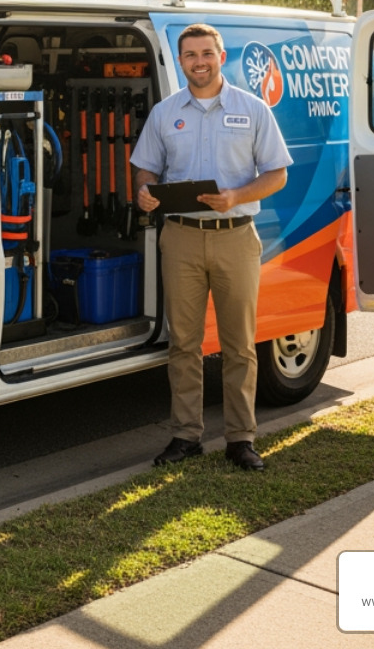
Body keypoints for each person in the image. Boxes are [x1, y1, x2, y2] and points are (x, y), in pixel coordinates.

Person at [132, 23, 291, 472]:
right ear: (180, 61)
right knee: (183, 343)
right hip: (179, 237)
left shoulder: (253, 109)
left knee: (239, 344)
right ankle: (186, 436)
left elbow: (277, 173)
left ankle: (241, 439)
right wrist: (144, 191)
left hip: (236, 237)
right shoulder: (165, 113)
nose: (198, 62)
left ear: (221, 56)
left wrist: (236, 197)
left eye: (206, 53)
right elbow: (145, 169)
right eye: (190, 55)